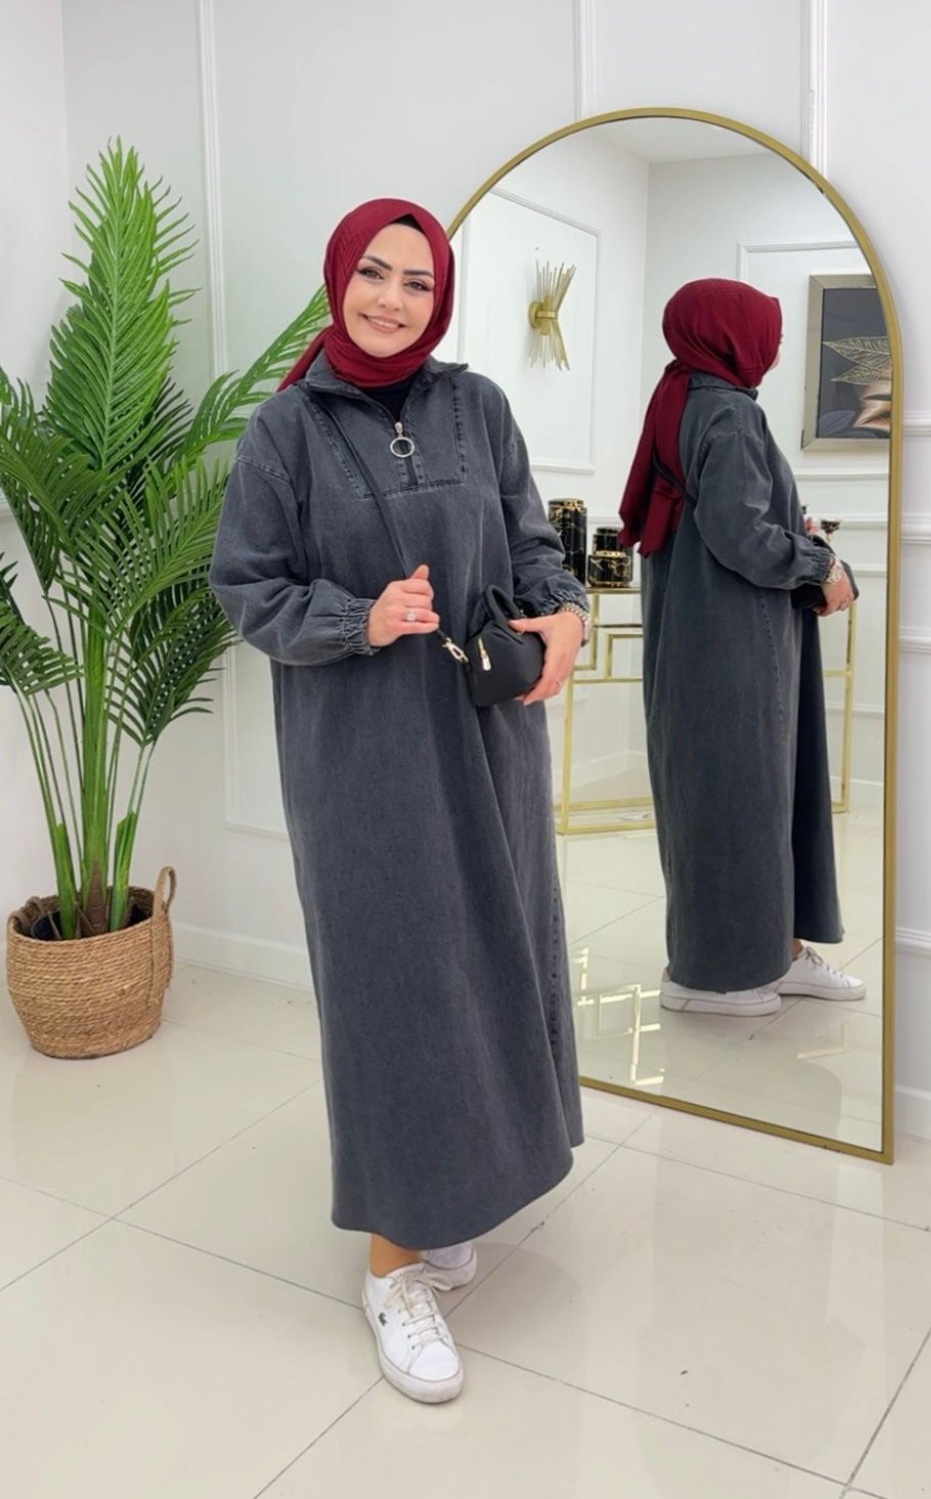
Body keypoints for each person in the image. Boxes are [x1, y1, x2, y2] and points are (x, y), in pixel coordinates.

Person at [210, 198, 589, 1404]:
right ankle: (391, 1269)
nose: (391, 299)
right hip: (364, 755)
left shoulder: (477, 407)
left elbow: (529, 545)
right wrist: (358, 618)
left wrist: (564, 614)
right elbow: (246, 587)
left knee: (496, 957)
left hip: (487, 739)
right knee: (399, 983)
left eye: (417, 282)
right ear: (339, 279)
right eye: (373, 273)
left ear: (441, 298)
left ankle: (451, 1197)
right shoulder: (286, 432)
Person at [619, 278, 867, 1018]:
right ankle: (717, 976)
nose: (777, 348)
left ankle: (773, 951)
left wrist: (799, 536)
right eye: (769, 333)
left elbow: (724, 520)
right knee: (736, 801)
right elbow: (742, 537)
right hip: (733, 644)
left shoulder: (684, 399)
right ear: (730, 335)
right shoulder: (726, 411)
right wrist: (821, 564)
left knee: (740, 796)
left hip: (708, 636)